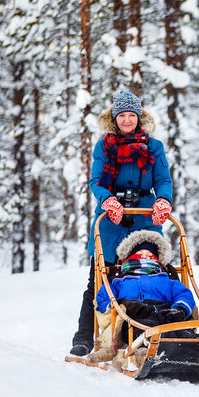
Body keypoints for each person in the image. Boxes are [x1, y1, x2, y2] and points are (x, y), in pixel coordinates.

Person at [68, 90, 174, 357]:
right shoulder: (104, 146)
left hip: (145, 218)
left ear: (139, 117)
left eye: (132, 115)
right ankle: (84, 336)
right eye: (122, 116)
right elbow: (96, 181)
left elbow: (163, 181)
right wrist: (108, 200)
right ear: (114, 118)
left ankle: (151, 329)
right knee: (99, 280)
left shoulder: (154, 147)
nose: (127, 120)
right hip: (111, 222)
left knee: (149, 275)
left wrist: (163, 200)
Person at [96, 230, 196, 346]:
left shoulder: (167, 279)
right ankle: (163, 351)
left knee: (184, 333)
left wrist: (179, 309)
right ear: (129, 257)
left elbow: (184, 295)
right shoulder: (118, 281)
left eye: (149, 255)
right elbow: (103, 300)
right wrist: (123, 305)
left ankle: (197, 348)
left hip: (165, 314)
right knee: (151, 332)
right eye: (139, 254)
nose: (144, 257)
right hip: (134, 318)